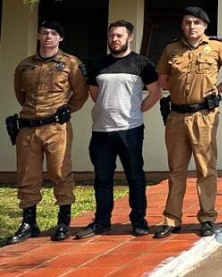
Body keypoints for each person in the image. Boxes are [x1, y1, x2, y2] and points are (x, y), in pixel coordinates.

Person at [154, 6, 222, 238]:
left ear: (205, 25)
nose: (191, 27)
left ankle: (207, 217)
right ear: (182, 26)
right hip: (176, 117)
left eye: (196, 22)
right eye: (187, 22)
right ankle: (171, 218)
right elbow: (163, 79)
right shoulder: (171, 49)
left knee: (205, 168)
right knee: (176, 169)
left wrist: (216, 91)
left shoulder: (216, 47)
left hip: (204, 116)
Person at [76, 20, 160, 239]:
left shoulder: (142, 63)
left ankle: (139, 220)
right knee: (102, 178)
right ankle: (102, 221)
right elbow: (94, 94)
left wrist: (137, 111)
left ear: (129, 37)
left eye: (119, 36)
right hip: (101, 130)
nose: (115, 39)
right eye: (112, 35)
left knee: (135, 176)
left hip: (129, 129)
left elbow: (155, 92)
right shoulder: (97, 63)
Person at [7, 20, 88, 244]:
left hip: (56, 127)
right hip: (28, 128)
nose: (49, 37)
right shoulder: (25, 66)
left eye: (54, 33)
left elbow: (80, 95)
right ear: (38, 35)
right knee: (27, 176)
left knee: (60, 172)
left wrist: (63, 112)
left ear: (60, 38)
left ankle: (63, 221)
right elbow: (21, 95)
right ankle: (28, 222)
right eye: (45, 33)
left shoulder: (71, 64)